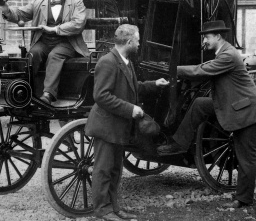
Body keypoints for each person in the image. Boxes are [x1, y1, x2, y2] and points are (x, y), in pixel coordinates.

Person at [157, 20, 256, 208]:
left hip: (246, 110)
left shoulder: (228, 55)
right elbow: (205, 66)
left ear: (218, 36)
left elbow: (202, 70)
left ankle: (244, 199)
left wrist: (172, 70)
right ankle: (178, 143)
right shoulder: (223, 51)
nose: (205, 41)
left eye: (207, 37)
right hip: (232, 104)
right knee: (201, 104)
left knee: (246, 158)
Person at [85, 24, 169, 221]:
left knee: (115, 171)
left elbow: (132, 87)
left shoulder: (125, 61)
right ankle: (103, 211)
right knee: (103, 170)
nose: (139, 44)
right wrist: (131, 109)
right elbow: (101, 96)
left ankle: (114, 208)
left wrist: (154, 84)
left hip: (117, 128)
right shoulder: (108, 62)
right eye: (138, 40)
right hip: (106, 127)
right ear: (129, 42)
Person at [0, 0, 88, 104]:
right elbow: (20, 14)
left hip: (67, 42)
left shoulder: (77, 2)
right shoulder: (39, 3)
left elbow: (78, 24)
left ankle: (48, 94)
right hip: (44, 42)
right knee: (33, 54)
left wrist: (56, 29)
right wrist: (6, 8)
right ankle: (25, 91)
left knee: (55, 55)